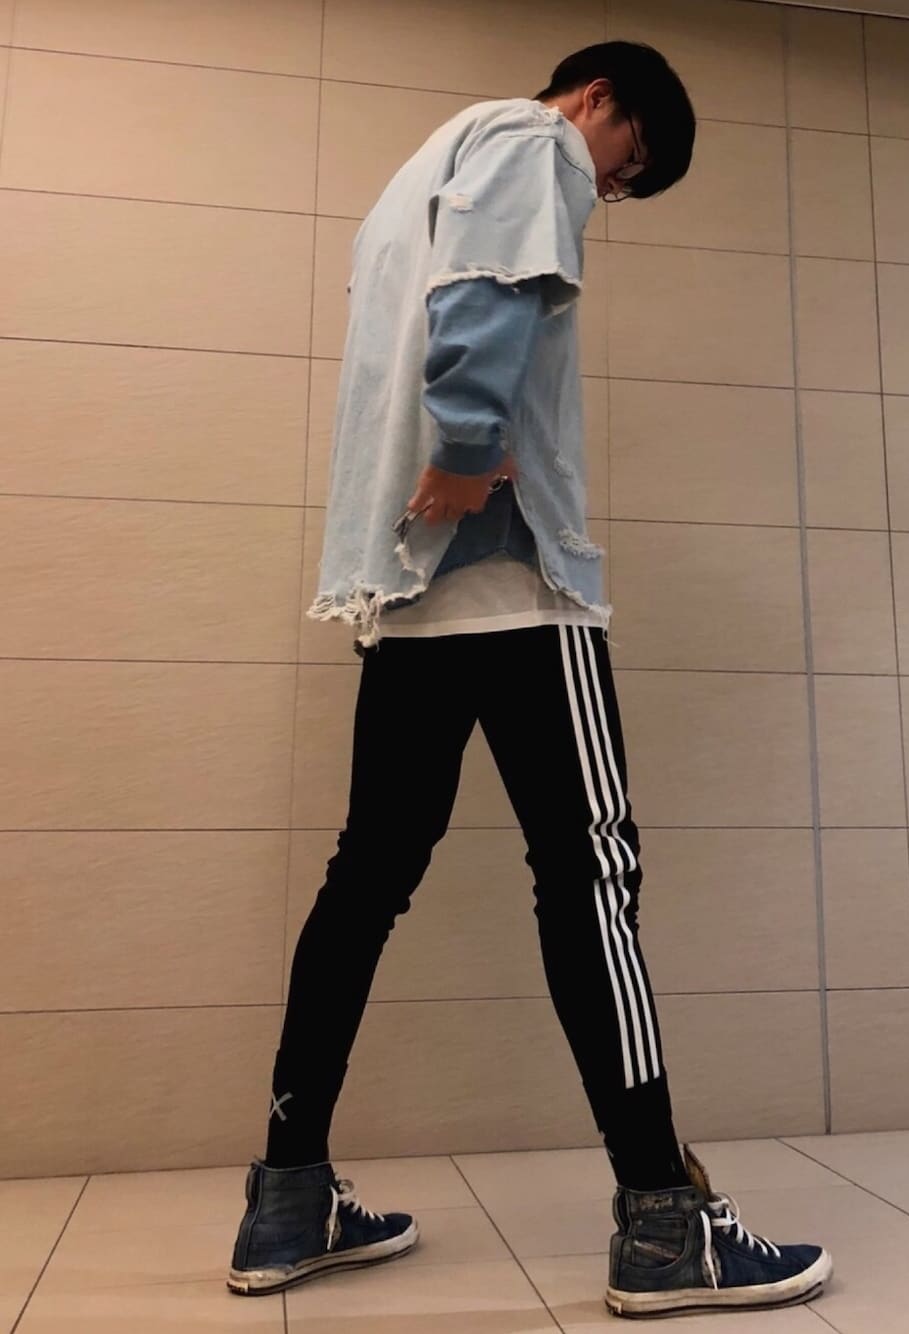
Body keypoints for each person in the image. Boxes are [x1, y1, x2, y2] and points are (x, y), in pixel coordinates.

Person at [227, 41, 833, 1319]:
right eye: (627, 162)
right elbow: (485, 297)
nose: (606, 189)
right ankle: (664, 1220)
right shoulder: (529, 138)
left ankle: (288, 1194)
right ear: (595, 99)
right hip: (509, 576)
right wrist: (468, 446)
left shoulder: (414, 175)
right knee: (591, 873)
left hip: (405, 588)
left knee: (367, 876)